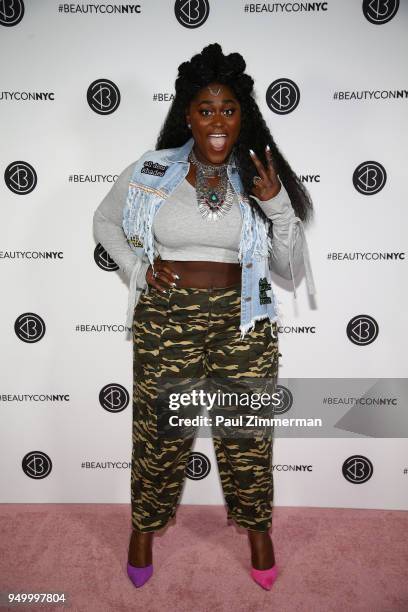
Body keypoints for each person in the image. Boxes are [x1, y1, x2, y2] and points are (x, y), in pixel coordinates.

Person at [93, 42, 315, 591]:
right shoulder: (152, 169)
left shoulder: (261, 175)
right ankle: (144, 528)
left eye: (229, 110)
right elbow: (105, 222)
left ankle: (257, 529)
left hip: (244, 324)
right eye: (206, 109)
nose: (218, 121)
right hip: (167, 320)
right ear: (186, 115)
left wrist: (277, 205)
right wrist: (140, 271)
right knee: (161, 433)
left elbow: (288, 269)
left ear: (244, 116)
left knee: (246, 432)